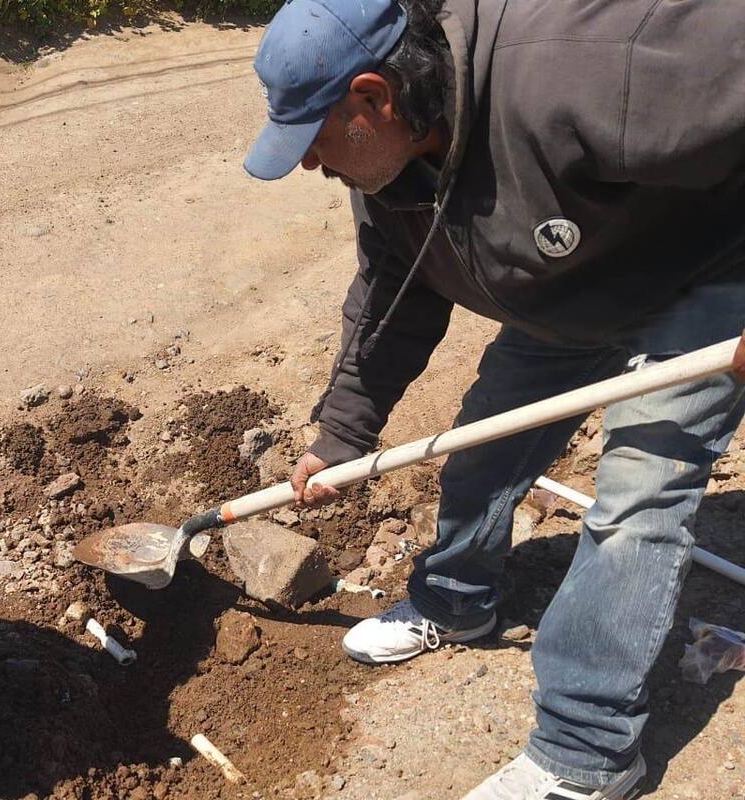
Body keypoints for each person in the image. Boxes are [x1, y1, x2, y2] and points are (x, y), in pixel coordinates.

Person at [242, 0, 745, 797]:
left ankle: (586, 755)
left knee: (638, 496)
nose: (310, 164)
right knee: (481, 447)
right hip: (572, 297)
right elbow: (391, 296)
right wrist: (340, 436)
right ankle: (456, 601)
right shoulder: (390, 169)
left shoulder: (589, 65)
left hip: (705, 278)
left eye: (316, 138)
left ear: (373, 98)